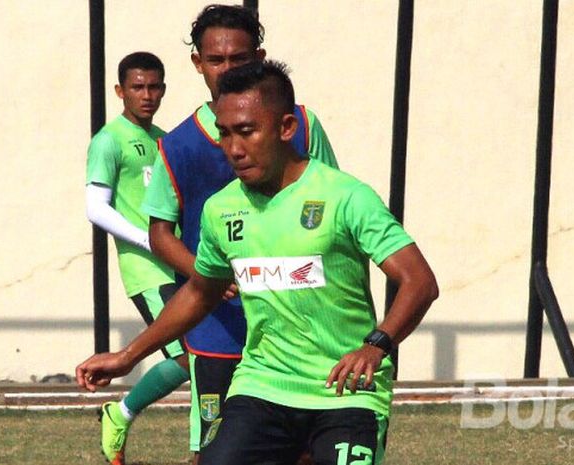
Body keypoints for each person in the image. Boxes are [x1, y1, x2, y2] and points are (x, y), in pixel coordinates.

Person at [78, 60, 439, 465]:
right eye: (225, 134)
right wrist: (128, 356)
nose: (233, 148)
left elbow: (418, 281)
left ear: (286, 128)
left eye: (247, 131)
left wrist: (377, 345)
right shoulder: (222, 209)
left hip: (346, 393)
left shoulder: (346, 197)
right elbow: (200, 292)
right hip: (263, 388)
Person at [140, 4, 338, 459]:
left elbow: (335, 208)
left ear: (261, 58)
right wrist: (211, 277)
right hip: (219, 329)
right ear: (197, 63)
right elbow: (160, 232)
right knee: (213, 450)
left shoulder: (301, 125)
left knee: (304, 450)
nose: (226, 69)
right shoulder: (177, 145)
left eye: (239, 59)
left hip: (299, 327)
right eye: (215, 59)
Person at [85, 51, 190, 465]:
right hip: (148, 269)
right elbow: (96, 208)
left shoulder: (164, 138)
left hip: (183, 264)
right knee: (188, 355)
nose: (147, 95)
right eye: (137, 87)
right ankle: (120, 412)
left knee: (209, 355)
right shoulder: (108, 140)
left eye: (154, 87)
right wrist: (153, 242)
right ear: (120, 91)